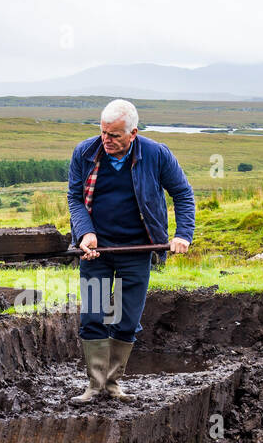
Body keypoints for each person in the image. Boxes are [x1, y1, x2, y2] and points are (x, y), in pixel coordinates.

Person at [65, 99, 195, 404]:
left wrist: (183, 235)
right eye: (103, 133)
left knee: (125, 319)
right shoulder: (85, 152)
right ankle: (94, 386)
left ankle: (113, 384)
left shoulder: (156, 154)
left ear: (133, 132)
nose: (106, 140)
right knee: (93, 315)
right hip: (94, 252)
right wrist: (85, 232)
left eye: (115, 136)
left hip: (138, 249)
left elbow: (183, 194)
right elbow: (74, 197)